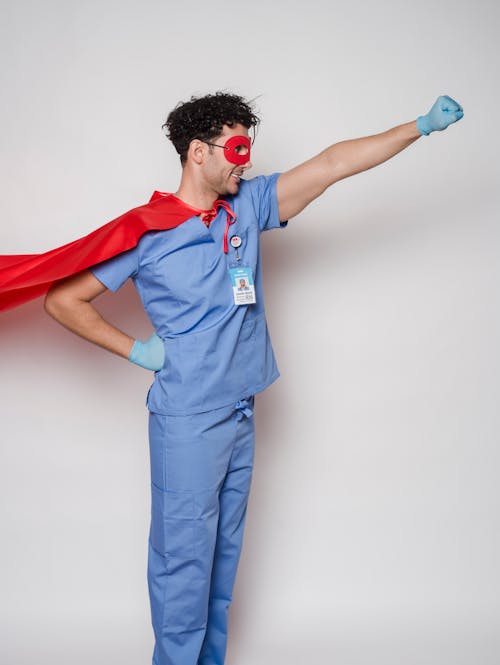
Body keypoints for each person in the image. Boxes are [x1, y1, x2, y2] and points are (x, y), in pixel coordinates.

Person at [42, 91, 464, 665]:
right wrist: (137, 351)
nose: (245, 162)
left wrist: (418, 127)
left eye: (249, 148)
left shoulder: (249, 206)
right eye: (236, 148)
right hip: (188, 419)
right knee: (182, 560)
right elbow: (65, 300)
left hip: (241, 409)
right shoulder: (146, 231)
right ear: (197, 152)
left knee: (221, 555)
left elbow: (332, 164)